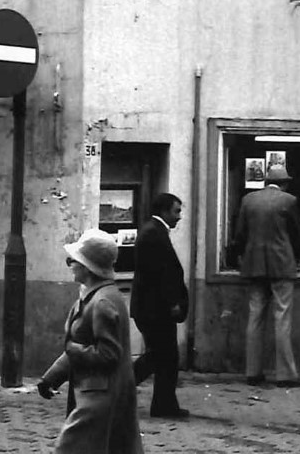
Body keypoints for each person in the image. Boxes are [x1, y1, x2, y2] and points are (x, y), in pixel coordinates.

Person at [37, 229, 143, 454]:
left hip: (100, 398)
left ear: (87, 267)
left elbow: (108, 354)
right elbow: (81, 342)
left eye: (74, 260)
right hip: (96, 393)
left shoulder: (103, 302)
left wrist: (72, 349)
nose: (70, 264)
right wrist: (52, 378)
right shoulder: (93, 296)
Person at [234, 163, 300, 387]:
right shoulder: (289, 201)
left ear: (266, 181)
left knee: (255, 317)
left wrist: (242, 256)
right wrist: (297, 257)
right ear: (284, 183)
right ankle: (285, 374)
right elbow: (297, 234)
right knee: (282, 318)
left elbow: (240, 234)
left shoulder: (248, 200)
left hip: (254, 264)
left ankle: (253, 371)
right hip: (282, 264)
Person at [130, 192, 189, 419]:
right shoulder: (153, 234)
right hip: (155, 309)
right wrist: (172, 303)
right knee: (160, 356)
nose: (179, 216)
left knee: (164, 357)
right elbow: (159, 275)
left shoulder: (154, 231)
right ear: (164, 211)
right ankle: (116, 388)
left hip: (153, 308)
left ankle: (164, 404)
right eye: (176, 211)